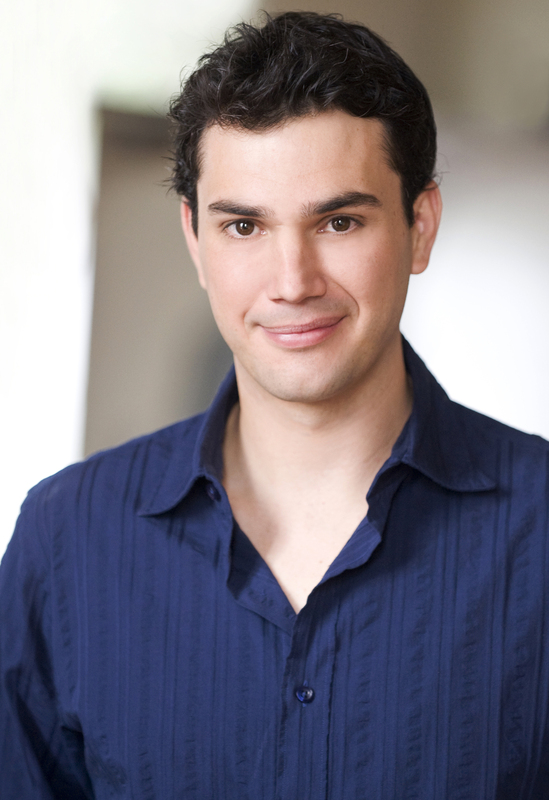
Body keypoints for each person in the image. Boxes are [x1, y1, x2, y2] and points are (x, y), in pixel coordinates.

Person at [1, 11, 548, 799]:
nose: (292, 281)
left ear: (419, 226)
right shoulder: (66, 541)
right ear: (195, 239)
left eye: (339, 221)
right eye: (243, 226)